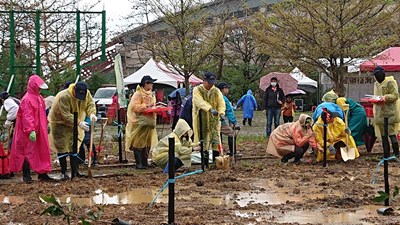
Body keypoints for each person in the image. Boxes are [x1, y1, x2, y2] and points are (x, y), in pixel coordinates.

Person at [49, 81, 97, 180]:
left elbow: (90, 104)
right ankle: (64, 172)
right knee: (62, 147)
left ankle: (75, 171)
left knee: (74, 146)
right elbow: (65, 115)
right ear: (74, 90)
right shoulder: (64, 96)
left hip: (76, 122)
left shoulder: (86, 94)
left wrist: (92, 113)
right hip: (60, 123)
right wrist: (79, 123)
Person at [9, 75, 52, 183]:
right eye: (39, 87)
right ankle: (26, 176)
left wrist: (46, 124)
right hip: (27, 132)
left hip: (39, 130)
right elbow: (27, 116)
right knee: (26, 152)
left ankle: (42, 174)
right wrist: (30, 130)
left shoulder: (39, 98)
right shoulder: (27, 99)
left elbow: (42, 114)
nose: (40, 89)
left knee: (41, 151)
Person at [125, 75, 158, 169]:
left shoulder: (151, 94)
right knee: (138, 142)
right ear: (145, 84)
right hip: (139, 123)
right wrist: (147, 106)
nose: (152, 85)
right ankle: (138, 163)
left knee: (147, 142)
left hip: (149, 122)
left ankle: (145, 162)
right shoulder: (138, 94)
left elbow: (153, 105)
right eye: (150, 83)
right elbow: (135, 107)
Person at [192, 72, 225, 160]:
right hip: (201, 119)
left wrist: (221, 113)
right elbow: (198, 101)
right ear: (204, 81)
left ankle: (216, 160)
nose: (210, 85)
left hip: (214, 119)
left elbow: (221, 103)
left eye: (212, 83)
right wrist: (209, 109)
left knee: (215, 138)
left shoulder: (216, 91)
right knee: (203, 139)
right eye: (209, 82)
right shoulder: (197, 90)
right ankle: (205, 161)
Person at [371, 66, 400, 157]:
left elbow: (395, 95)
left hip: (390, 113)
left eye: (376, 75)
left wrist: (386, 97)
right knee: (383, 135)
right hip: (380, 113)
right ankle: (386, 155)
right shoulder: (376, 84)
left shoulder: (390, 82)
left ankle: (396, 154)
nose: (376, 77)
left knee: (391, 134)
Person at [218, 82, 240, 156]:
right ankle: (232, 152)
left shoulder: (215, 96)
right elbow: (229, 111)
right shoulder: (224, 98)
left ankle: (219, 152)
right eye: (227, 88)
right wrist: (234, 122)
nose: (228, 90)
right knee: (232, 134)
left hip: (213, 120)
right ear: (223, 89)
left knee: (218, 136)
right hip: (220, 121)